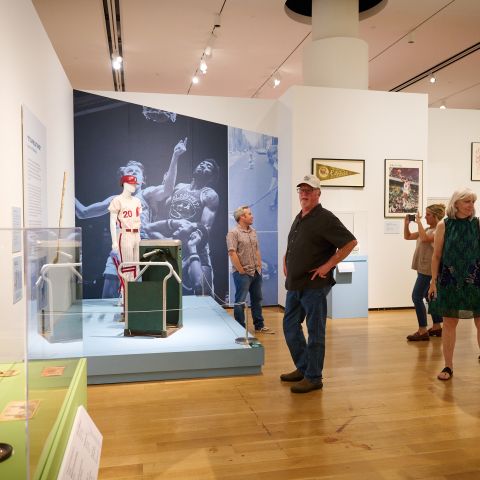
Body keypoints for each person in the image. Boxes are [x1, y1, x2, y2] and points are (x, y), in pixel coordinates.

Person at [75, 138, 187, 297]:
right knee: (107, 298)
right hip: (119, 249)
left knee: (138, 299)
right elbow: (83, 213)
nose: (133, 173)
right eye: (129, 171)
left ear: (143, 180)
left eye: (136, 171)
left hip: (141, 249)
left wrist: (175, 156)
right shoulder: (115, 200)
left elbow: (168, 189)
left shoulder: (147, 195)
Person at [280, 175, 357, 394]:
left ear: (318, 193)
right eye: (301, 190)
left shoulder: (325, 218)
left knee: (315, 331)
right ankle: (304, 367)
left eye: (309, 190)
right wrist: (286, 258)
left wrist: (328, 265)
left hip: (314, 285)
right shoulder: (301, 217)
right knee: (289, 326)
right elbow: (296, 242)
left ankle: (314, 377)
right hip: (295, 284)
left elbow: (350, 242)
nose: (304, 194)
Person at [145, 158, 220, 295]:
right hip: (173, 239)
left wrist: (189, 244)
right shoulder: (179, 186)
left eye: (208, 166)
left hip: (194, 243)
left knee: (203, 291)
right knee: (165, 288)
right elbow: (163, 212)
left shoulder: (209, 194)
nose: (203, 165)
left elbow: (205, 228)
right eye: (202, 163)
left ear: (212, 176)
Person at [428, 188, 480, 381]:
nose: (471, 206)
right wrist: (433, 282)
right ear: (456, 203)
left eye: (473, 202)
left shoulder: (477, 224)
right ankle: (448, 366)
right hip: (449, 280)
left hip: (475, 280)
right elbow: (437, 256)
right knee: (449, 322)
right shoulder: (444, 225)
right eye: (467, 202)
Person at [226, 206, 273, 334]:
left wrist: (259, 266)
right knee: (240, 301)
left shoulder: (253, 231)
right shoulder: (233, 233)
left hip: (256, 272)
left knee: (257, 299)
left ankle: (259, 325)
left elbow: (257, 249)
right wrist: (241, 270)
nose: (252, 216)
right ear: (242, 217)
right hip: (242, 273)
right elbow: (232, 253)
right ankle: (240, 327)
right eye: (249, 214)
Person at [404, 204, 445, 341]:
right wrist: (406, 224)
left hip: (428, 269)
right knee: (430, 296)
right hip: (423, 267)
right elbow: (408, 236)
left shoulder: (439, 230)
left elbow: (426, 239)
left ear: (435, 216)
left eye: (428, 214)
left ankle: (422, 330)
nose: (424, 217)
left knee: (416, 296)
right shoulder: (428, 229)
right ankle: (437, 326)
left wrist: (419, 222)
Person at [108, 175, 142, 298]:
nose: (134, 186)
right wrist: (114, 241)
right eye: (131, 183)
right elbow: (112, 222)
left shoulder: (137, 201)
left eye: (134, 184)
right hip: (125, 233)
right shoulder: (117, 200)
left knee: (137, 266)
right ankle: (125, 295)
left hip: (137, 234)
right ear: (124, 184)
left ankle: (133, 295)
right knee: (127, 266)